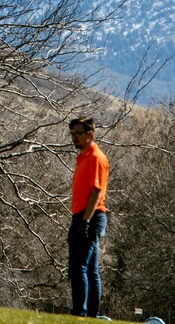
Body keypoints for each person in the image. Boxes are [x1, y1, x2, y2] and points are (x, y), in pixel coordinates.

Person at [68, 116, 109, 318]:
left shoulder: (96, 157)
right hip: (83, 216)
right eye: (72, 134)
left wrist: (85, 221)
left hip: (90, 216)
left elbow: (96, 191)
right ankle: (92, 315)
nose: (74, 138)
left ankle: (81, 313)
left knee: (78, 267)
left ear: (89, 134)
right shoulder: (83, 156)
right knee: (90, 269)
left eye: (78, 134)